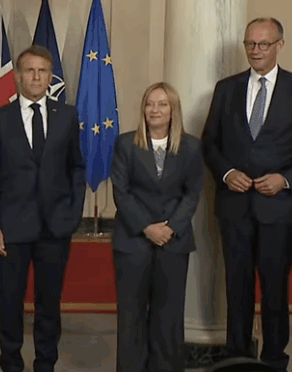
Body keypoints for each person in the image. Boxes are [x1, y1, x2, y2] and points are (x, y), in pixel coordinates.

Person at [200, 17, 292, 371]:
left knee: (274, 287)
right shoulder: (226, 88)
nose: (255, 51)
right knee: (237, 286)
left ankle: (275, 358)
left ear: (279, 46)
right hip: (235, 206)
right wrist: (226, 173)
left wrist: (285, 180)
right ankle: (238, 356)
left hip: (280, 207)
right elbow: (210, 144)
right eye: (250, 44)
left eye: (263, 44)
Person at [0, 46, 86, 372]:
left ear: (50, 77)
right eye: (30, 70)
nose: (36, 77)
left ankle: (45, 364)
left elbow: (76, 169)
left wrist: (72, 214)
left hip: (55, 228)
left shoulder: (67, 116)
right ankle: (11, 363)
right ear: (18, 76)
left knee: (49, 304)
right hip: (10, 228)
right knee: (10, 303)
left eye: (42, 71)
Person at [111, 82, 204, 372]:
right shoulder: (126, 143)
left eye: (162, 104)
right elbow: (121, 193)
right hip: (132, 241)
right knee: (131, 316)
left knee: (169, 315)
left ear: (173, 110)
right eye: (150, 103)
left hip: (174, 242)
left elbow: (192, 193)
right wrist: (147, 228)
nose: (155, 109)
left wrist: (171, 228)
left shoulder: (190, 146)